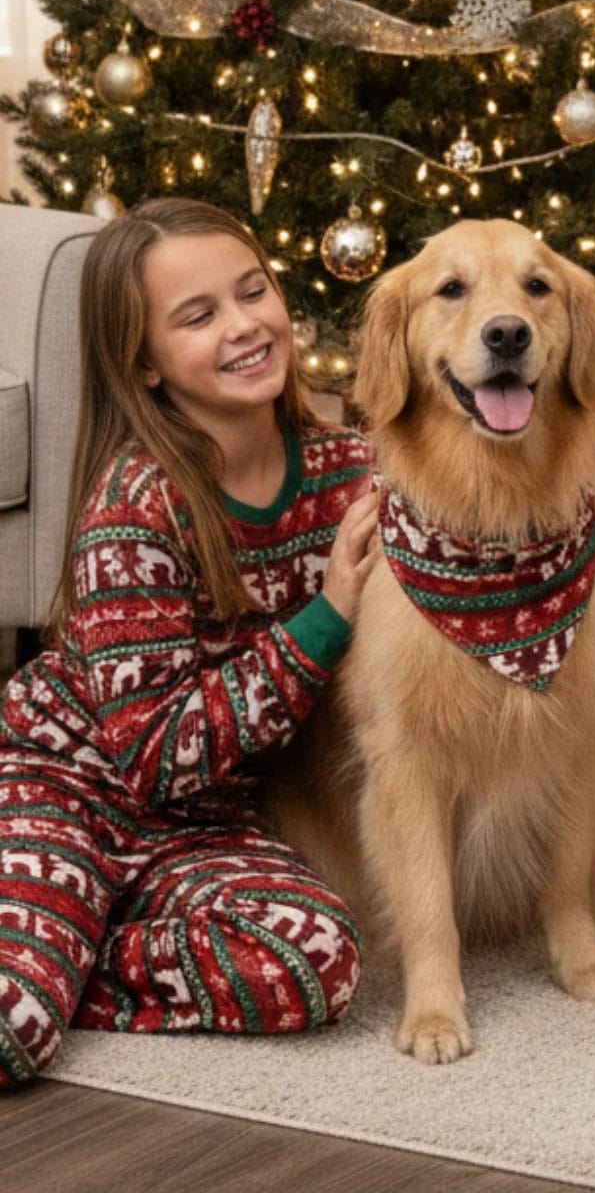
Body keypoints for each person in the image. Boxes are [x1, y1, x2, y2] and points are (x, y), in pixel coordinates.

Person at [0, 198, 379, 1086]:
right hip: (65, 788)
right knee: (13, 1027)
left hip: (202, 827)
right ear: (147, 362)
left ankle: (73, 948)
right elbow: (154, 760)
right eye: (199, 316)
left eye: (254, 293)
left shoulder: (345, 472)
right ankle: (44, 958)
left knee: (318, 961)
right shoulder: (136, 505)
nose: (245, 327)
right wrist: (324, 618)